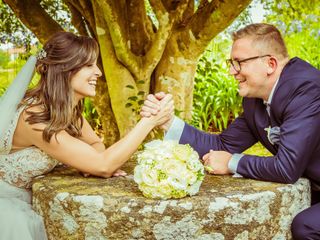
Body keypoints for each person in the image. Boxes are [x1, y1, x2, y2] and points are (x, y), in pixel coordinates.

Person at [141, 23, 320, 239]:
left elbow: (286, 168)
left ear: (270, 64)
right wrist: (168, 121)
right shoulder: (255, 102)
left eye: (238, 63)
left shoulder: (307, 89)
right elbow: (221, 146)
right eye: (231, 63)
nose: (231, 71)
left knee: (305, 226)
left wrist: (232, 162)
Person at [0, 32, 173, 240]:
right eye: (89, 65)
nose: (98, 72)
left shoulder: (65, 110)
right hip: (8, 206)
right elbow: (103, 165)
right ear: (65, 69)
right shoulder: (35, 117)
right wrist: (149, 122)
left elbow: (94, 143)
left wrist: (86, 162)